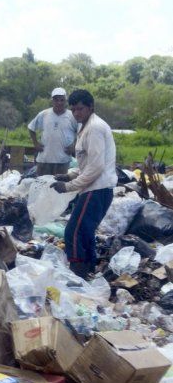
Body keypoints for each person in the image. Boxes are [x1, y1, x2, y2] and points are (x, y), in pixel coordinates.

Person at [51, 89, 117, 278]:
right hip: (96, 188)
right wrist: (70, 175)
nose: (76, 113)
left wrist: (69, 187)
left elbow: (96, 167)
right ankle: (88, 271)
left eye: (80, 109)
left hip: (97, 189)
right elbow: (88, 164)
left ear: (90, 107)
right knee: (85, 231)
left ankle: (77, 275)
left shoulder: (95, 128)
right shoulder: (86, 126)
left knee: (73, 232)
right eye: (73, 110)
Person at [28, 87, 79, 176]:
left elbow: (81, 131)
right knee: (41, 186)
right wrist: (35, 143)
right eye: (56, 100)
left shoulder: (72, 116)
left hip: (63, 160)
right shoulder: (44, 114)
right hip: (44, 159)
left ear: (65, 101)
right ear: (52, 101)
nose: (59, 103)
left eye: (62, 100)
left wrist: (74, 145)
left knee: (60, 187)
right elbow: (31, 127)